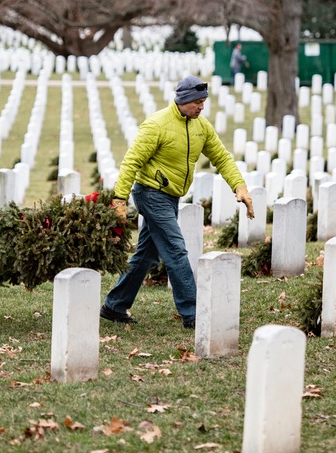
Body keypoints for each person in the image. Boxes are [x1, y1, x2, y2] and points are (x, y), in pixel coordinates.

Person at [100, 76, 253, 329]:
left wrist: (239, 185)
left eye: (204, 102)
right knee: (176, 249)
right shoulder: (157, 124)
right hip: (149, 193)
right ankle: (193, 313)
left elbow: (222, 157)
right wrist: (119, 199)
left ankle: (114, 305)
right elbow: (131, 162)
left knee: (147, 256)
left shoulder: (201, 126)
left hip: (171, 196)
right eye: (198, 102)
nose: (202, 107)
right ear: (184, 100)